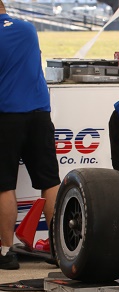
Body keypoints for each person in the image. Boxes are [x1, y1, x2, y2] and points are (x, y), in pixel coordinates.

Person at [0, 0, 60, 270]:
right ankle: (60, 248)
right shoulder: (28, 29)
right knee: (50, 181)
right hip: (39, 112)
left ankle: (6, 250)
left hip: (7, 114)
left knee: (4, 185)